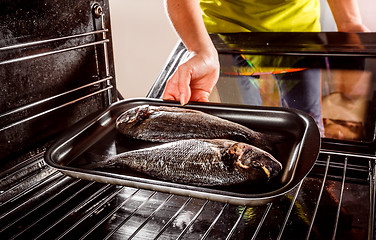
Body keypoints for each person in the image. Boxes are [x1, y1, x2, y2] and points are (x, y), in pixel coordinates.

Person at [162, 0, 370, 106]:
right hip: (229, 37)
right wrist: (200, 50)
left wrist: (350, 22)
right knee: (242, 126)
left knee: (310, 123)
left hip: (299, 36)